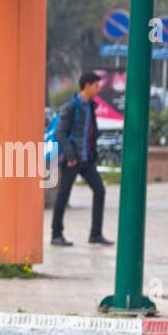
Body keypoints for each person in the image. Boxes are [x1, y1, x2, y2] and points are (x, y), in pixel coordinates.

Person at [51, 71, 112, 246]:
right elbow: (60, 133)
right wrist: (70, 156)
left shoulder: (91, 107)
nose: (98, 89)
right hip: (73, 159)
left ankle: (96, 234)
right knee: (63, 194)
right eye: (96, 85)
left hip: (86, 159)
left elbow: (91, 133)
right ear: (87, 85)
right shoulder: (71, 106)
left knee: (99, 190)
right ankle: (56, 234)